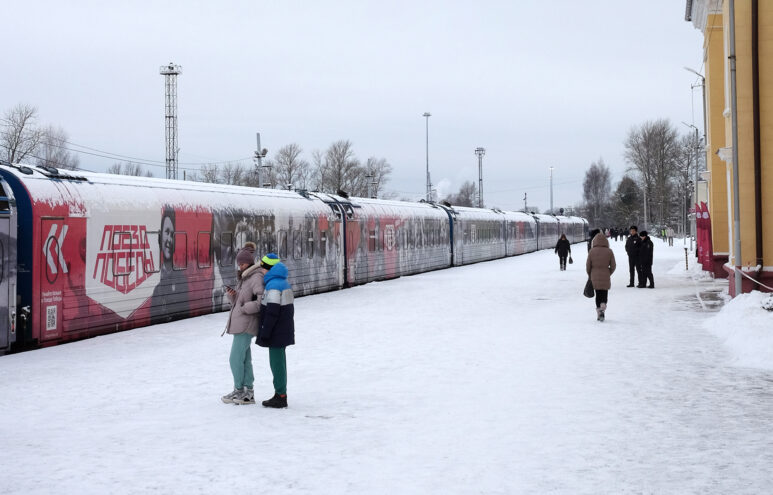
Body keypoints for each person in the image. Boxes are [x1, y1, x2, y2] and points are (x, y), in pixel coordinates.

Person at [221, 242, 265, 405]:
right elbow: (241, 300)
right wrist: (233, 296)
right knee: (245, 359)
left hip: (246, 324)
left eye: (243, 263)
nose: (240, 266)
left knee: (235, 359)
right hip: (242, 322)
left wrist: (244, 307)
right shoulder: (245, 277)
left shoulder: (256, 277)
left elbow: (261, 301)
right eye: (239, 263)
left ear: (250, 262)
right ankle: (248, 392)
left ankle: (239, 390)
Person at [256, 253, 295, 409]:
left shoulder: (273, 286)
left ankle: (280, 396)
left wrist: (265, 331)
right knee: (281, 363)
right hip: (283, 330)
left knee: (276, 364)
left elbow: (272, 312)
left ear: (269, 269)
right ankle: (280, 394)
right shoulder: (283, 282)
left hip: (276, 332)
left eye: (263, 269)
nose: (262, 272)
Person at [150, 206, 190, 324]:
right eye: (167, 233)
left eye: (172, 234)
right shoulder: (155, 285)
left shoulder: (181, 280)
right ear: (160, 237)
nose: (169, 240)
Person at [586, 232, 616, 321]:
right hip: (605, 274)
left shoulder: (592, 251)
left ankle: (599, 311)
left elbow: (588, 266)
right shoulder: (609, 251)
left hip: (594, 275)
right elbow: (613, 265)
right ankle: (603, 306)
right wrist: (608, 272)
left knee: (598, 294)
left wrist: (590, 274)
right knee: (604, 294)